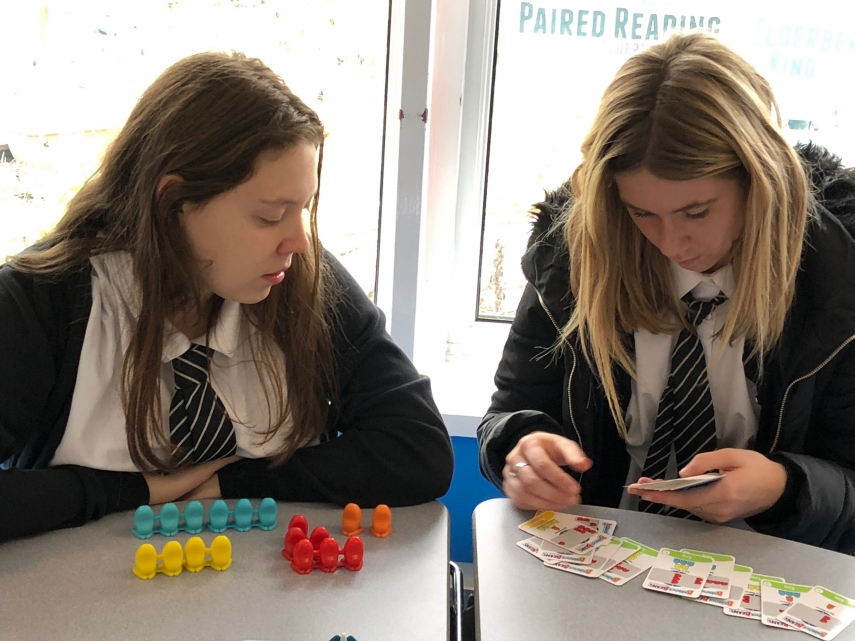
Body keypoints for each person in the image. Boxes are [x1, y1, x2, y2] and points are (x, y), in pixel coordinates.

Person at [0, 51, 453, 543]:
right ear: (172, 202)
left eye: (304, 209)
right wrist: (127, 491)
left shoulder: (304, 282)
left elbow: (419, 451)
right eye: (269, 215)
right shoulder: (40, 303)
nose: (298, 242)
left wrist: (229, 482)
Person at [477, 32, 855, 554]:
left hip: (777, 577)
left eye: (696, 212)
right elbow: (508, 414)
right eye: (641, 214)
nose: (672, 243)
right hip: (602, 564)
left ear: (759, 180)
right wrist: (519, 453)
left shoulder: (840, 281)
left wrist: (785, 488)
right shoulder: (572, 260)